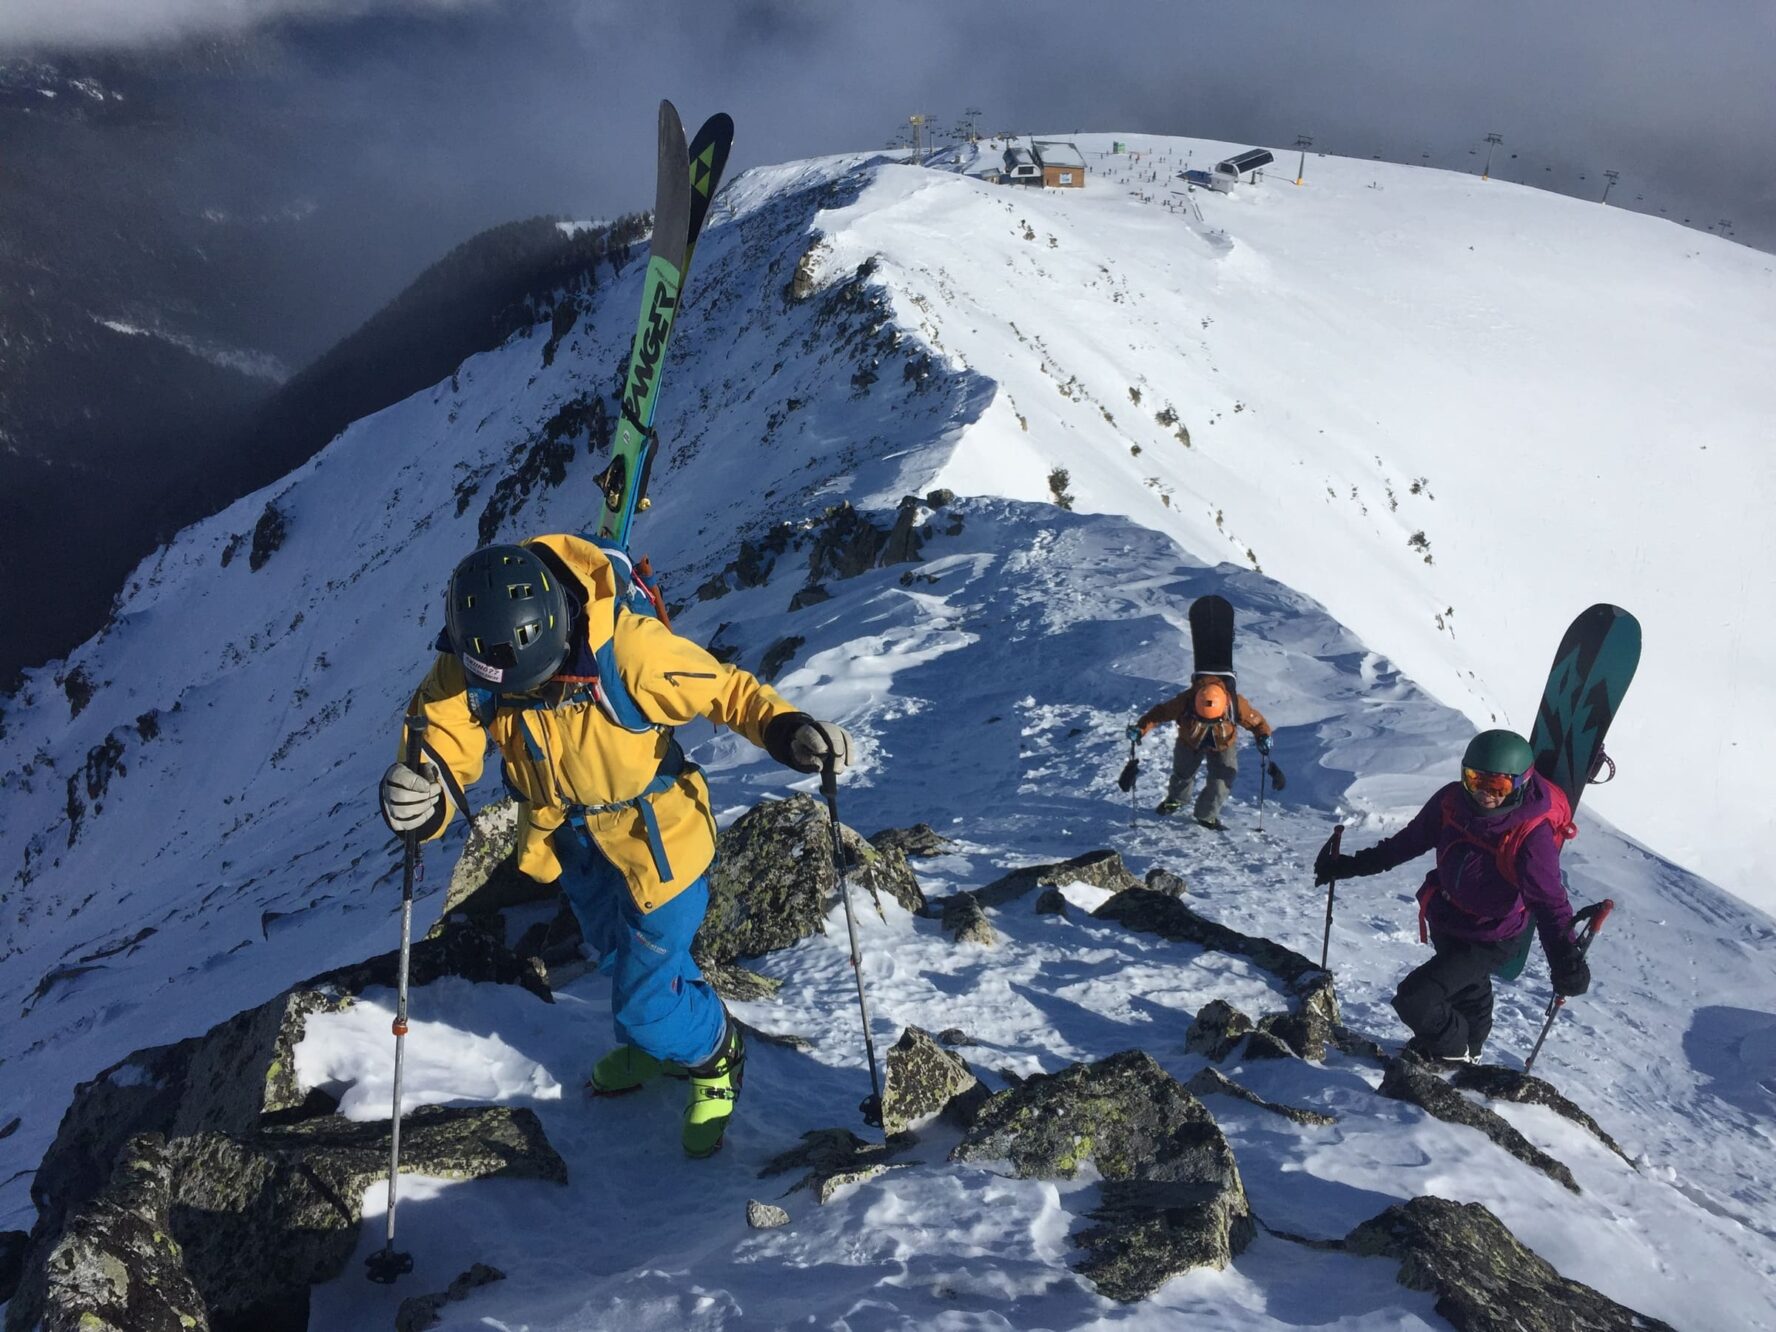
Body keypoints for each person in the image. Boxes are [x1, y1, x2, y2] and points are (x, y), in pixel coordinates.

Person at [379, 534, 854, 1157]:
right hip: (573, 841)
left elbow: (726, 691)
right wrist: (426, 797)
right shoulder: (471, 658)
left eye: (542, 682)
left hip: (659, 842)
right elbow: (439, 743)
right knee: (611, 952)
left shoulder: (629, 652)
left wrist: (784, 728)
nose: (531, 695)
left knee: (644, 1002)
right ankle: (657, 1047)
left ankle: (715, 1053)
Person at [1313, 729, 1591, 1063]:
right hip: (1447, 916)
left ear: (1520, 784)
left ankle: (1451, 1054)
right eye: (1474, 780)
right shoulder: (1451, 802)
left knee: (1415, 998)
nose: (1484, 794)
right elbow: (1406, 843)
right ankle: (1470, 1049)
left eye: (1497, 786)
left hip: (1491, 936)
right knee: (1468, 990)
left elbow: (1549, 904)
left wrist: (1565, 957)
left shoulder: (1531, 837)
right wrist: (1350, 866)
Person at [1127, 675, 1273, 828]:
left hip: (1223, 743)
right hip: (1190, 741)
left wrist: (1263, 736)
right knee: (1183, 772)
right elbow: (1159, 714)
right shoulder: (1185, 701)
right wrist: (1140, 729)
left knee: (1222, 779)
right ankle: (1176, 799)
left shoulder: (1235, 703)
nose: (1207, 723)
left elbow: (1257, 722)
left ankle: (1206, 815)